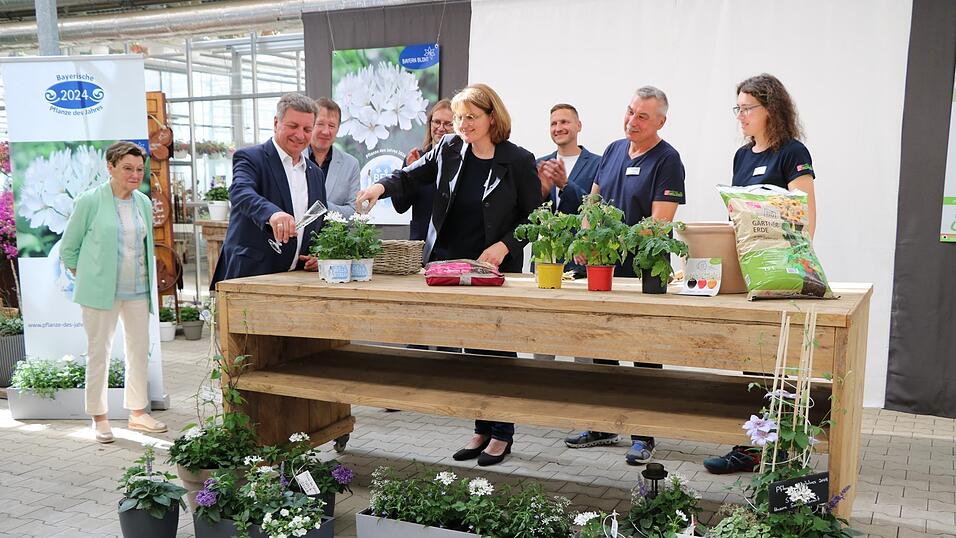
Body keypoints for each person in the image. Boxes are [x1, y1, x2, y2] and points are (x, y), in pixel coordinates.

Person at [355, 83, 540, 466]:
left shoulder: (518, 160)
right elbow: (409, 176)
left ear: (493, 117)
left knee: (498, 352)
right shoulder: (449, 149)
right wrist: (378, 186)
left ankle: (501, 434)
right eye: (458, 118)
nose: (462, 125)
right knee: (470, 352)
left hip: (493, 269)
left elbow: (534, 219)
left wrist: (504, 246)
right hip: (450, 268)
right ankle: (480, 429)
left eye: (471, 117)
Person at [704, 73, 817, 474]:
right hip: (745, 268)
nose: (741, 116)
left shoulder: (792, 152)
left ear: (771, 109)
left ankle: (780, 447)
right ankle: (754, 444)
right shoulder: (742, 156)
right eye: (738, 108)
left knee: (779, 361)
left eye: (747, 108)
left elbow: (805, 218)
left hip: (779, 271)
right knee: (752, 361)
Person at [567, 86, 686, 465]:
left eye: (643, 117)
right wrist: (586, 236)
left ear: (660, 122)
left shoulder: (668, 160)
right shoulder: (615, 150)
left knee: (643, 351)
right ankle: (603, 424)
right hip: (604, 267)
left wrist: (615, 244)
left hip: (642, 271)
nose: (632, 121)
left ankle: (644, 434)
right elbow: (594, 200)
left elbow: (659, 223)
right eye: (630, 112)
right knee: (600, 345)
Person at [60, 141, 165, 443]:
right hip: (100, 294)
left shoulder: (143, 202)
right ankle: (99, 417)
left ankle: (137, 412)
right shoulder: (89, 201)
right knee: (99, 354)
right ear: (110, 167)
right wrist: (91, 277)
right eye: (127, 168)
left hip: (138, 291)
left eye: (139, 169)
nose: (135, 175)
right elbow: (69, 250)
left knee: (138, 352)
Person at [210, 93, 327, 288]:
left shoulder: (315, 172)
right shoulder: (250, 157)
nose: (300, 135)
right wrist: (272, 214)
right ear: (276, 123)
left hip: (297, 281)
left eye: (307, 129)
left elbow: (320, 218)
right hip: (250, 276)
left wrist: (320, 253)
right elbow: (240, 191)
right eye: (293, 126)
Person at [532, 103, 601, 362]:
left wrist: (565, 184)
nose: (558, 128)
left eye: (564, 122)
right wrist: (542, 189)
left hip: (582, 260)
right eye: (554, 123)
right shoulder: (540, 164)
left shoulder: (598, 164)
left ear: (578, 126)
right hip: (547, 260)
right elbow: (531, 212)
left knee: (582, 334)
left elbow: (597, 208)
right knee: (542, 331)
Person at [392, 99, 454, 241]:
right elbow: (400, 206)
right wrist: (411, 174)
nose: (441, 128)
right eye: (436, 122)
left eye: (448, 124)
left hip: (452, 245)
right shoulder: (416, 158)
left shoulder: (463, 161)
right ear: (430, 124)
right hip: (421, 243)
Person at [306, 97, 360, 218]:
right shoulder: (294, 158)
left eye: (331, 126)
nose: (326, 131)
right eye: (320, 124)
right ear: (310, 124)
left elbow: (353, 212)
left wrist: (321, 206)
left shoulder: (351, 165)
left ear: (338, 129)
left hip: (333, 236)